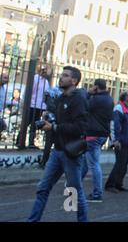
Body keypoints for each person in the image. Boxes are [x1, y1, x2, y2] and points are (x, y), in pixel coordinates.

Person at [28, 66, 89, 222]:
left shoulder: (79, 99)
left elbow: (80, 127)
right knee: (43, 188)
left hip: (71, 153)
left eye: (65, 75)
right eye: (62, 74)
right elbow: (60, 120)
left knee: (75, 192)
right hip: (57, 151)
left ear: (74, 80)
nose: (61, 77)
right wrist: (49, 118)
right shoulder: (61, 98)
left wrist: (54, 127)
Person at [81, 79, 114, 202]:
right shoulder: (109, 99)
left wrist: (88, 93)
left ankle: (97, 194)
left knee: (93, 164)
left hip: (92, 134)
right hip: (102, 134)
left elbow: (83, 106)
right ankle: (74, 186)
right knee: (85, 161)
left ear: (96, 87)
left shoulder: (95, 99)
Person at [105, 91, 128, 193]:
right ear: (126, 97)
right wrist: (115, 140)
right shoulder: (119, 108)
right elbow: (114, 125)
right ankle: (110, 184)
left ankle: (118, 184)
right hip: (121, 141)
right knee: (119, 164)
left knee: (124, 164)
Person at [27, 67, 50, 149]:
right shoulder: (36, 78)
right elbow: (31, 90)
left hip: (40, 106)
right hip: (32, 105)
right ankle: (20, 140)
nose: (46, 72)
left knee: (34, 125)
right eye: (44, 70)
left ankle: (31, 142)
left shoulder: (46, 81)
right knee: (27, 123)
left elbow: (46, 93)